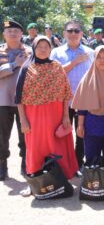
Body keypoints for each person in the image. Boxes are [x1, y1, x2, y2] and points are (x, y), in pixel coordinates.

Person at [16, 37, 78, 194]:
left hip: (56, 115)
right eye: (40, 46)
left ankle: (60, 180)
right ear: (34, 48)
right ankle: (35, 182)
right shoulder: (26, 68)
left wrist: (65, 116)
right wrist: (23, 120)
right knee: (35, 148)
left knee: (56, 146)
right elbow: (18, 98)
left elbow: (65, 94)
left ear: (51, 49)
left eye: (46, 46)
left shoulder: (57, 67)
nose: (43, 49)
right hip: (34, 116)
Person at [50, 20, 94, 171]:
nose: (73, 34)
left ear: (82, 34)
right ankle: (64, 165)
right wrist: (74, 62)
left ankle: (79, 163)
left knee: (82, 133)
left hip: (84, 101)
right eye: (70, 31)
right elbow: (53, 73)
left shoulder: (90, 52)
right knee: (62, 135)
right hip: (63, 101)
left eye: (76, 31)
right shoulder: (56, 52)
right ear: (64, 33)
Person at [0, 20, 32, 179]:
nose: (12, 33)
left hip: (25, 101)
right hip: (3, 101)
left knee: (25, 134)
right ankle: (2, 164)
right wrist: (14, 64)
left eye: (16, 31)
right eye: (9, 31)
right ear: (4, 34)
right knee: (1, 136)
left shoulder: (30, 52)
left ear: (21, 34)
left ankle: (26, 162)